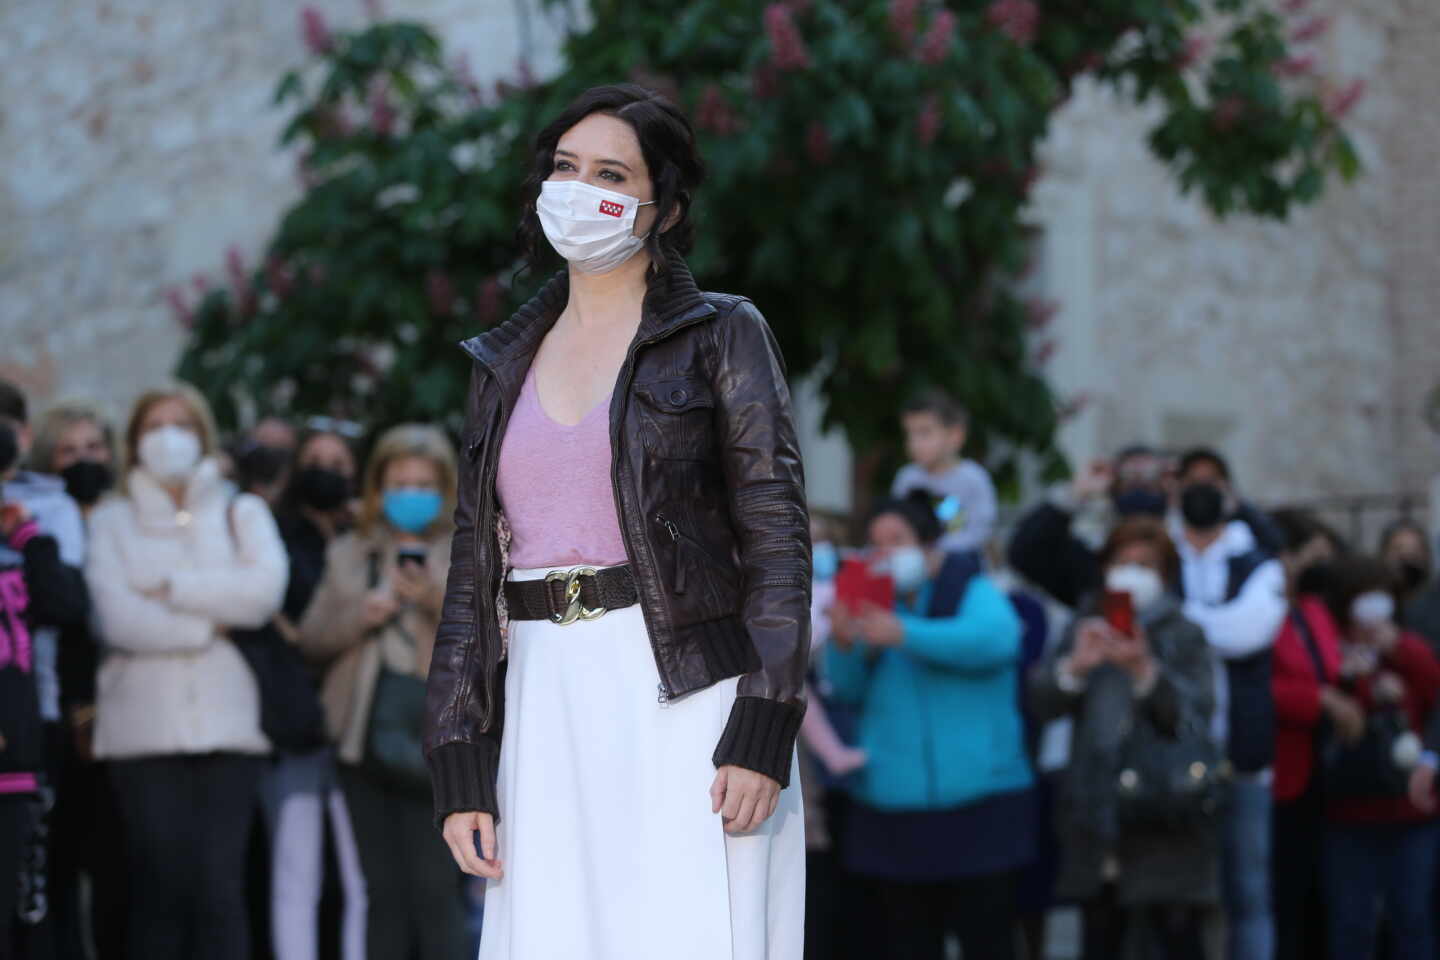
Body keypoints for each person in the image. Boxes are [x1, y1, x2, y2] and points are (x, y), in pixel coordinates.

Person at [423, 84, 810, 959]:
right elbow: (470, 576)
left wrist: (765, 721)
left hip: (685, 688)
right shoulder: (499, 363)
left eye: (610, 172)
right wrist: (458, 754)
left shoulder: (723, 334)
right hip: (540, 697)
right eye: (564, 167)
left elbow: (778, 540)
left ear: (664, 208)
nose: (578, 188)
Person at [85, 383, 287, 960]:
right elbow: (117, 618)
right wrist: (209, 623)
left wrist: (174, 590)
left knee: (221, 891)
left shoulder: (240, 511)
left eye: (181, 424)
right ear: (133, 442)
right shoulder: (111, 521)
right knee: (161, 891)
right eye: (154, 426)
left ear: (202, 435)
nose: (168, 437)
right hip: (140, 737)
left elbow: (264, 592)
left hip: (232, 733)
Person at [826, 493, 1033, 960]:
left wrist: (906, 633)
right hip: (895, 808)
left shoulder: (972, 588)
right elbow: (848, 689)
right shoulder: (871, 601)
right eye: (875, 543)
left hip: (980, 804)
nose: (886, 552)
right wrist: (844, 643)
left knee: (989, 939)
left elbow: (996, 641)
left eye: (897, 539)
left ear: (928, 544)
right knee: (909, 941)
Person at [300, 424, 467, 959]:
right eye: (400, 481)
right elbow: (312, 639)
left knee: (435, 891)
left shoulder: (466, 547)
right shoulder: (351, 550)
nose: (411, 493)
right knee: (382, 893)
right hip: (362, 743)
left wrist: (430, 598)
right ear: (379, 486)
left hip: (441, 742)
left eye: (424, 483)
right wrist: (362, 613)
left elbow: (490, 636)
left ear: (443, 488)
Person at [1030, 517, 1217, 960]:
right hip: (1097, 810)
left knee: (1176, 937)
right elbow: (1041, 703)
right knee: (1101, 935)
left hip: (1167, 809)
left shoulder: (1184, 632)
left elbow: (1195, 717)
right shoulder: (1085, 623)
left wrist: (1144, 672)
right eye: (1123, 561)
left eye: (1146, 564)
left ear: (1165, 574)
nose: (1132, 572)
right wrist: (1074, 668)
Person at [1168, 447, 1286, 960]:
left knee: (1248, 890)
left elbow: (1248, 632)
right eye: (1189, 483)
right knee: (1175, 898)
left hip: (1243, 755)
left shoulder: (1255, 560)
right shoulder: (1159, 552)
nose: (1200, 493)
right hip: (1169, 754)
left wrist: (1177, 621)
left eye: (1211, 484)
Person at [261, 426, 366, 960]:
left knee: (358, 872)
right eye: (315, 459)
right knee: (296, 868)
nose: (326, 470)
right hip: (297, 720)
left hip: (355, 722)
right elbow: (290, 625)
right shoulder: (276, 538)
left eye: (338, 461)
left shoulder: (366, 543)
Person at [27, 401, 121, 959]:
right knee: (58, 865)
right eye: (68, 451)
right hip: (61, 709)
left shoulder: (128, 515)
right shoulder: (41, 521)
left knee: (119, 868)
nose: (84, 460)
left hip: (128, 713)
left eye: (93, 447)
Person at [1317, 555, 1440, 960]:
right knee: (1352, 922)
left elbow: (1433, 692)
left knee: (1412, 917)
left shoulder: (1409, 646)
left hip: (1410, 809)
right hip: (1351, 809)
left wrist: (1396, 649)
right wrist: (1356, 682)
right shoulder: (1329, 650)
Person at [0, 420, 90, 953]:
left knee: (26, 914)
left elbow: (66, 608)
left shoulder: (30, 538)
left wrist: (28, 536)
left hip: (18, 763)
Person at [1009, 445, 1283, 610]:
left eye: (1150, 477)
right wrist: (1076, 493)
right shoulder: (1092, 560)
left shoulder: (1195, 552)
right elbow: (1024, 554)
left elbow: (1274, 551)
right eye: (1129, 477)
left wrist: (1213, 498)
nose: (1139, 484)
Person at [1261, 509, 1348, 960]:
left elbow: (1330, 669)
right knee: (1285, 894)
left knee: (1322, 895)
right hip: (1282, 774)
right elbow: (1260, 686)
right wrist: (1319, 701)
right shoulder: (1260, 612)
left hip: (1325, 773)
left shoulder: (1313, 611)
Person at [890, 389, 998, 553]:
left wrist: (937, 553)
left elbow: (980, 532)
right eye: (909, 434)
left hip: (962, 566)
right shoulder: (907, 478)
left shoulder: (973, 479)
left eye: (924, 433)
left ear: (955, 436)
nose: (914, 443)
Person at [1378, 519, 1440, 650]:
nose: (1407, 556)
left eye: (1416, 550)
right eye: (1398, 549)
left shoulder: (1434, 597)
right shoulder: (1376, 597)